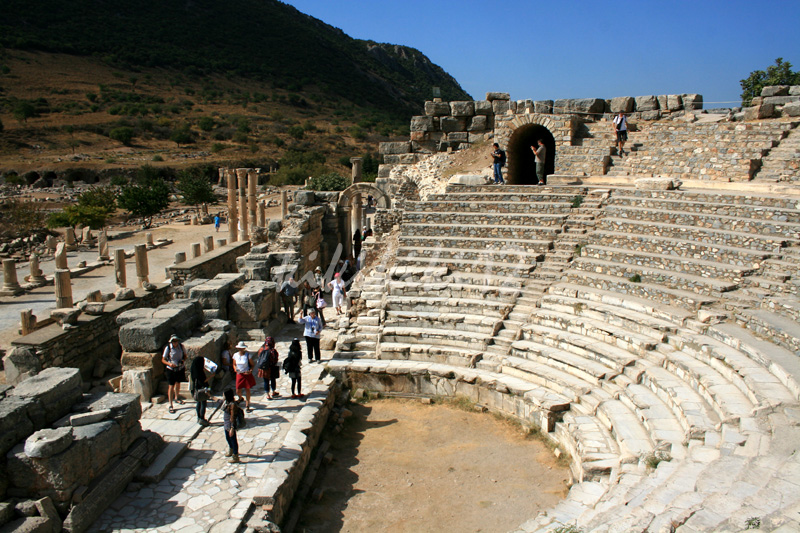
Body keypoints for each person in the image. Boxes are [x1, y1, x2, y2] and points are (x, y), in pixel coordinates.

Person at [162, 335, 186, 414]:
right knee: (171, 385)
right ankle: (170, 404)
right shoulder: (168, 348)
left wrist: (182, 361)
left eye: (176, 341)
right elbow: (163, 359)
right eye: (174, 341)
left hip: (179, 368)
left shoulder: (181, 347)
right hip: (171, 369)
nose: (175, 343)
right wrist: (169, 364)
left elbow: (185, 356)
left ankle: (177, 397)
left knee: (178, 383)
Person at [190, 355, 213, 426]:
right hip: (202, 390)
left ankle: (199, 417)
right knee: (203, 403)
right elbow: (203, 381)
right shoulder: (200, 372)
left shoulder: (194, 370)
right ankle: (202, 418)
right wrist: (211, 376)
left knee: (198, 403)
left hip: (196, 390)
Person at [232, 341, 255, 412]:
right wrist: (235, 369)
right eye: (239, 348)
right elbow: (234, 364)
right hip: (239, 374)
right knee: (238, 390)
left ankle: (247, 404)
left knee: (247, 389)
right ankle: (240, 397)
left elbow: (252, 365)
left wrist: (250, 371)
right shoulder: (235, 355)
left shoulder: (248, 355)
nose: (240, 349)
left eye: (242, 348)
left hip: (246, 374)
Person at [222, 389, 242, 463]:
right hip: (226, 425)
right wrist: (210, 396)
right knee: (228, 438)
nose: (223, 396)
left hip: (230, 426)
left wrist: (232, 428)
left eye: (223, 395)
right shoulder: (225, 403)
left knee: (233, 440)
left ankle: (235, 455)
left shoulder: (232, 405)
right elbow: (218, 401)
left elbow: (233, 417)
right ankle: (231, 449)